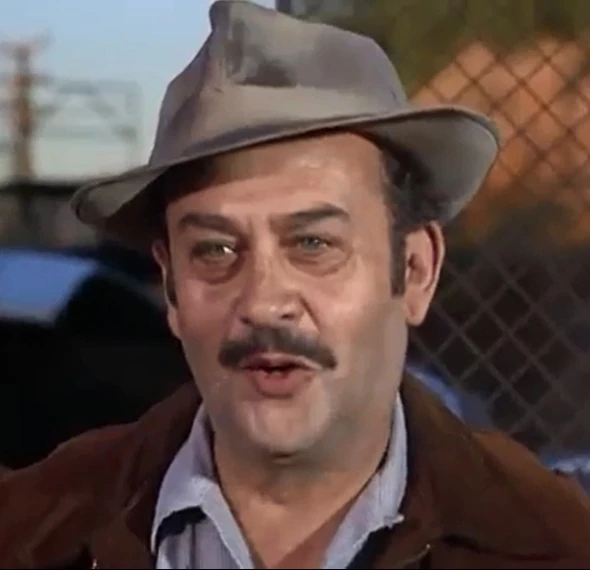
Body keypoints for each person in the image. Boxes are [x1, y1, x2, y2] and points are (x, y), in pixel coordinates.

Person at [1, 2, 590, 568]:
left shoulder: (556, 543)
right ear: (171, 287)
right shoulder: (32, 531)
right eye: (215, 250)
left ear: (414, 270)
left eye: (313, 244)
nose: (263, 303)